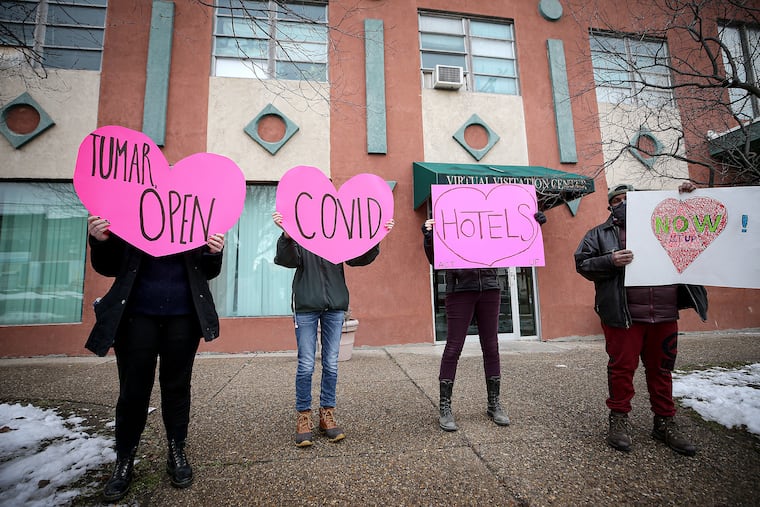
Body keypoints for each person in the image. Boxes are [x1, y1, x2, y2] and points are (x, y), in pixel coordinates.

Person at [86, 216, 224, 501]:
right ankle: (124, 460)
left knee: (176, 388)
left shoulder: (194, 213)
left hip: (183, 317)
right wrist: (101, 241)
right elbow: (108, 267)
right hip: (137, 317)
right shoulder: (130, 206)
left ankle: (176, 450)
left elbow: (207, 272)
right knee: (133, 392)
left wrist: (214, 252)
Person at [574, 182, 708, 456]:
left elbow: (695, 224)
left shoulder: (668, 224)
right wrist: (609, 260)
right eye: (618, 200)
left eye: (630, 198)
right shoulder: (599, 234)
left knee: (661, 370)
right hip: (623, 315)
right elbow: (582, 264)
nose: (624, 203)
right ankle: (619, 419)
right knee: (622, 369)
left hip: (664, 313)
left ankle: (664, 422)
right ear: (610, 205)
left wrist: (690, 196)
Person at [272, 211, 394, 447]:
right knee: (306, 364)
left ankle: (326, 415)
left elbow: (357, 258)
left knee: (331, 364)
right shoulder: (300, 230)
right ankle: (303, 417)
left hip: (335, 306)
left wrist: (377, 236)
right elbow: (288, 260)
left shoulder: (338, 232)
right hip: (306, 306)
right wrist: (287, 237)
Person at [422, 211, 547, 431]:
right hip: (460, 289)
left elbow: (514, 242)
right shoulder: (448, 218)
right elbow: (435, 259)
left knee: (491, 348)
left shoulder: (487, 219)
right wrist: (429, 236)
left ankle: (494, 403)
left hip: (490, 287)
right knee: (453, 348)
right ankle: (445, 406)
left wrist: (534, 226)